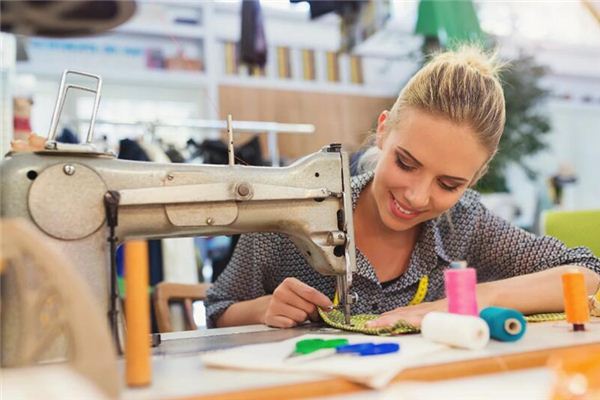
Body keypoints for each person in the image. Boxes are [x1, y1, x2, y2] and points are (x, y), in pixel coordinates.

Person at [203, 46, 600, 329]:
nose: (416, 196)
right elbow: (218, 309)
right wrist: (263, 309)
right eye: (406, 163)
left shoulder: (464, 223)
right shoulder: (296, 216)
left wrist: (466, 303)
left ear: (475, 177)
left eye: (448, 184)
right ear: (383, 130)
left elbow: (588, 272)